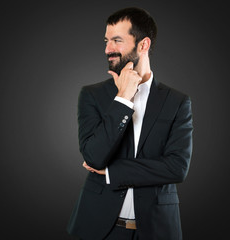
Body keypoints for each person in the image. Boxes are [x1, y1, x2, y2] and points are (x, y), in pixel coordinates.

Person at [67, 7, 193, 240]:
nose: (107, 49)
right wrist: (123, 98)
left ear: (143, 45)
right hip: (98, 228)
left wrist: (112, 172)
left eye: (117, 40)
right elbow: (94, 156)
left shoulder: (177, 101)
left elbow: (177, 167)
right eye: (106, 41)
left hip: (157, 229)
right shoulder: (92, 95)